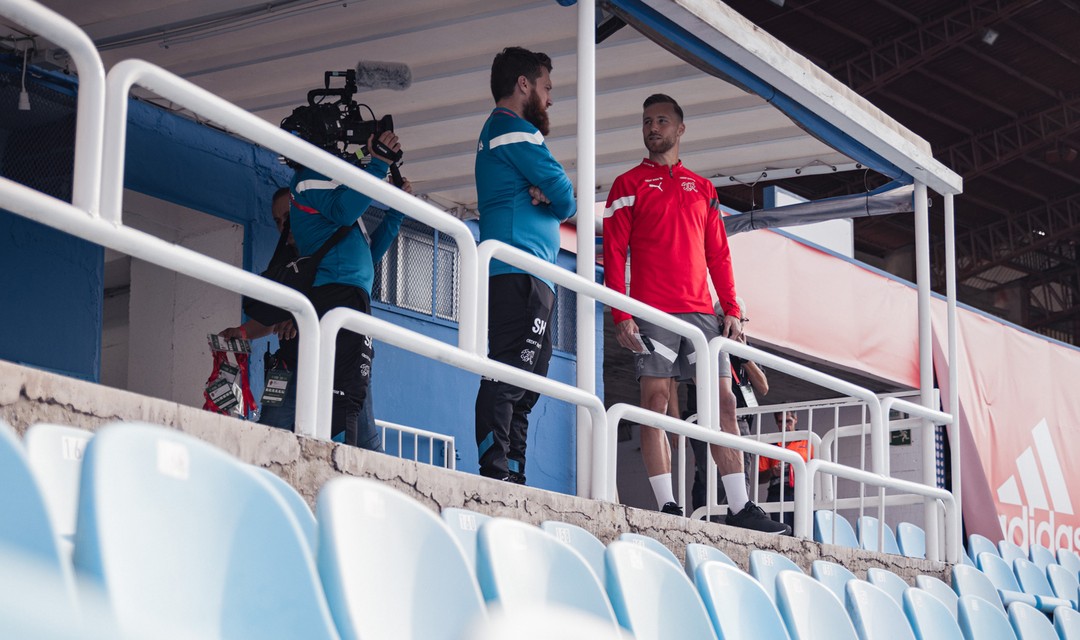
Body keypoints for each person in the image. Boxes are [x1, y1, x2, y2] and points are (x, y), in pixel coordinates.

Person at [603, 93, 789, 534]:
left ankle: (741, 506)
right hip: (651, 311)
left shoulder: (704, 189)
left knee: (724, 403)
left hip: (703, 314)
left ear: (680, 129)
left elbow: (718, 254)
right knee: (655, 404)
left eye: (661, 121)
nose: (652, 128)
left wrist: (732, 309)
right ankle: (668, 506)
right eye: (646, 121)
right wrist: (621, 313)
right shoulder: (627, 184)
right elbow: (612, 252)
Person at [473, 46, 575, 484]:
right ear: (523, 85)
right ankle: (494, 473)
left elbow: (561, 199)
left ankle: (513, 473)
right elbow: (566, 198)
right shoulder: (512, 129)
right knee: (509, 374)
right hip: (516, 272)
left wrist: (549, 195)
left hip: (534, 276)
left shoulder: (512, 133)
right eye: (546, 87)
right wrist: (551, 196)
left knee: (529, 382)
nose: (550, 98)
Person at [687, 299, 769, 514]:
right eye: (735, 319)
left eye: (742, 321)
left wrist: (744, 358)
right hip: (709, 418)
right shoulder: (705, 342)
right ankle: (711, 521)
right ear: (719, 319)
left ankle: (740, 513)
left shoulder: (747, 348)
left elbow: (763, 387)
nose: (739, 325)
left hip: (741, 420)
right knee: (712, 478)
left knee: (742, 475)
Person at [759, 411, 811, 529]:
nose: (785, 426)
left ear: (795, 420)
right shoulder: (770, 444)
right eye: (780, 422)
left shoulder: (807, 441)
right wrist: (772, 471)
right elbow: (759, 478)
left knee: (804, 531)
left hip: (802, 492)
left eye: (788, 421)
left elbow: (816, 469)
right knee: (784, 531)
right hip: (777, 494)